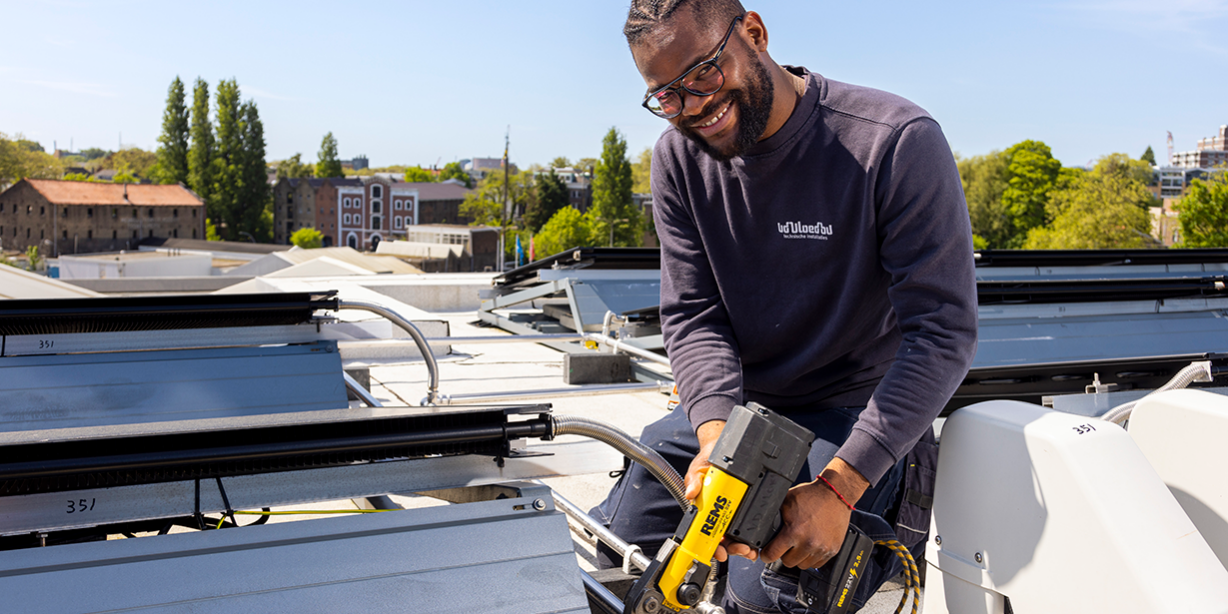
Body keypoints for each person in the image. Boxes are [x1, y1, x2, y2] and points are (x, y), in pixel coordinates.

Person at [590, 1, 979, 612]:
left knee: (765, 595)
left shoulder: (893, 141)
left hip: (858, 418)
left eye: (703, 75)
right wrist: (716, 435)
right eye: (667, 95)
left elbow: (943, 333)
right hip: (744, 413)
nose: (692, 107)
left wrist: (841, 489)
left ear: (754, 33)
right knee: (612, 553)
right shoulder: (677, 160)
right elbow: (694, 315)